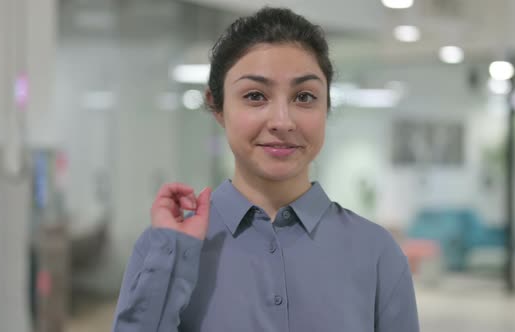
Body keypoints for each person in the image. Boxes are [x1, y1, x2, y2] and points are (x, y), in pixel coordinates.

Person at [112, 7, 419, 332]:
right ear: (217, 106)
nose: (283, 122)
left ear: (326, 105)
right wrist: (173, 257)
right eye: (255, 96)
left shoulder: (376, 252)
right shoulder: (166, 248)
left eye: (304, 96)